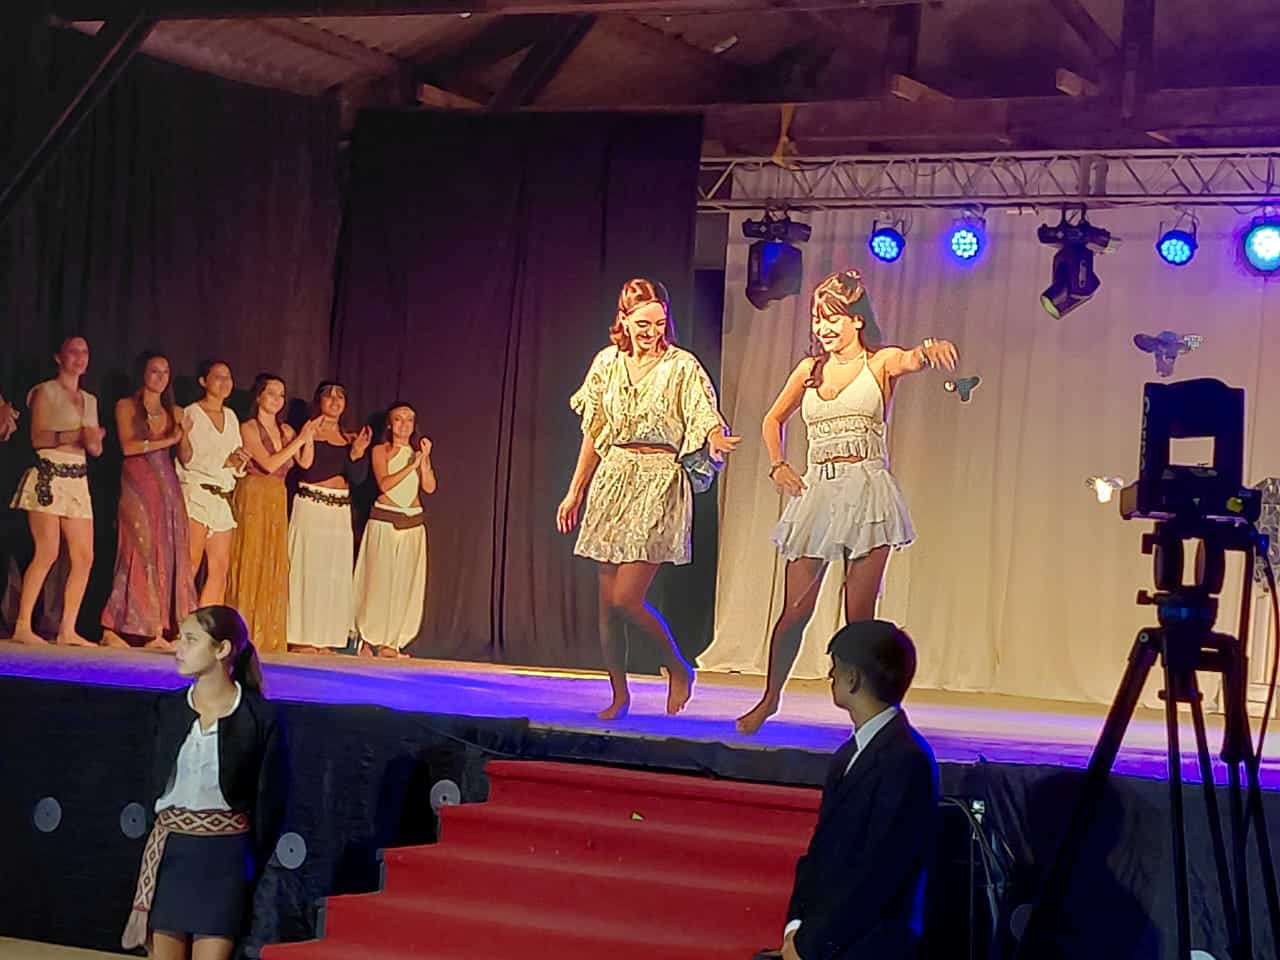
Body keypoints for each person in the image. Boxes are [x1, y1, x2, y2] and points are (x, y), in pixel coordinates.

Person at [737, 270, 958, 734]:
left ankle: (869, 716)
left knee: (859, 617)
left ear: (856, 320)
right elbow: (772, 419)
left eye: (833, 318)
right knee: (794, 610)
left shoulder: (879, 362)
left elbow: (909, 359)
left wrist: (928, 350)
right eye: (818, 319)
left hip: (866, 491)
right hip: (819, 491)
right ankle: (769, 699)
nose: (824, 328)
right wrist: (778, 465)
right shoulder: (809, 370)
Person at [556, 278, 739, 720]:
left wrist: (714, 436)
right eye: (642, 323)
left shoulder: (681, 366)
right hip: (614, 477)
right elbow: (594, 433)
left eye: (659, 323)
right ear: (624, 320)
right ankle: (619, 695)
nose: (651, 331)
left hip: (659, 480)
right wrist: (575, 490)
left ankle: (678, 665)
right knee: (607, 607)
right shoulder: (607, 364)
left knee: (626, 598)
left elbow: (702, 411)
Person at [122, 605, 284, 960]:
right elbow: (150, 782)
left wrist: (246, 858)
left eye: (191, 640)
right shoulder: (168, 709)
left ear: (222, 649)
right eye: (180, 638)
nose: (178, 647)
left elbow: (270, 801)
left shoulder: (259, 717)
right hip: (171, 854)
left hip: (223, 859)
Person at [770, 619, 938, 960]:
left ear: (853, 677)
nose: (830, 675)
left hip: (869, 945)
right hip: (820, 940)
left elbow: (879, 870)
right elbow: (820, 852)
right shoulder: (848, 754)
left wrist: (812, 945)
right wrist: (795, 930)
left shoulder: (907, 760)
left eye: (836, 667)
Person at [8, 335, 106, 646]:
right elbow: (37, 438)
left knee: (84, 556)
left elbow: (95, 449)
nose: (80, 357)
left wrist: (94, 440)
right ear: (58, 357)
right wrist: (75, 435)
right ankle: (23, 624)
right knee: (47, 551)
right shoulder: (44, 392)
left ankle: (68, 629)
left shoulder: (90, 400)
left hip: (77, 478)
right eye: (73, 351)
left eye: (85, 351)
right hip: (48, 475)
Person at [101, 352, 198, 650]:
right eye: (154, 371)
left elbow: (186, 457)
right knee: (138, 552)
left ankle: (159, 629)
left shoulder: (174, 410)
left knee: (167, 555)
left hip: (167, 489)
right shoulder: (126, 405)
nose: (160, 377)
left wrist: (182, 434)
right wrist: (169, 439)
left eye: (165, 371)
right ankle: (116, 628)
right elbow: (128, 447)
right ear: (142, 373)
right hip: (138, 485)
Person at [226, 374, 317, 656]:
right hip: (254, 495)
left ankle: (268, 634)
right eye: (271, 393)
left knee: (272, 561)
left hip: (277, 497)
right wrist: (299, 439)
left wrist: (308, 437)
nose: (277, 399)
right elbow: (268, 464)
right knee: (251, 558)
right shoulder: (249, 428)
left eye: (281, 395)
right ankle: (242, 633)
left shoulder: (286, 430)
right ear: (258, 396)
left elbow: (305, 462)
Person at [287, 382, 371, 654]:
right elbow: (307, 469)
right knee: (307, 570)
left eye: (340, 397)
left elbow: (358, 479)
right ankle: (302, 638)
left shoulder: (349, 438)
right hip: (311, 505)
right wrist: (309, 436)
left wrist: (356, 453)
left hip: (339, 511)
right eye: (329, 396)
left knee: (333, 573)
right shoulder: (308, 431)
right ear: (319, 401)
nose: (335, 401)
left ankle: (325, 638)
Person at [353, 402, 434, 658]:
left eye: (409, 419)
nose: (404, 424)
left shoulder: (417, 453)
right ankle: (369, 639)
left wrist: (424, 461)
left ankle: (393, 642)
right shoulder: (381, 450)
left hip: (412, 523)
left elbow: (429, 487)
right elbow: (385, 484)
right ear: (390, 424)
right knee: (378, 581)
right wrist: (411, 465)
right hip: (385, 519)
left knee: (404, 584)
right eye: (399, 419)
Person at [176, 361, 248, 607]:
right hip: (197, 494)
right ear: (203, 381)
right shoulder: (192, 413)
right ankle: (181, 619)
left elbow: (235, 457)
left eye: (228, 377)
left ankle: (205, 621)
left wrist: (239, 460)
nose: (225, 382)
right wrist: (225, 461)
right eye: (218, 377)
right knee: (191, 562)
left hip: (221, 497)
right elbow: (188, 459)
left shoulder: (231, 416)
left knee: (220, 567)